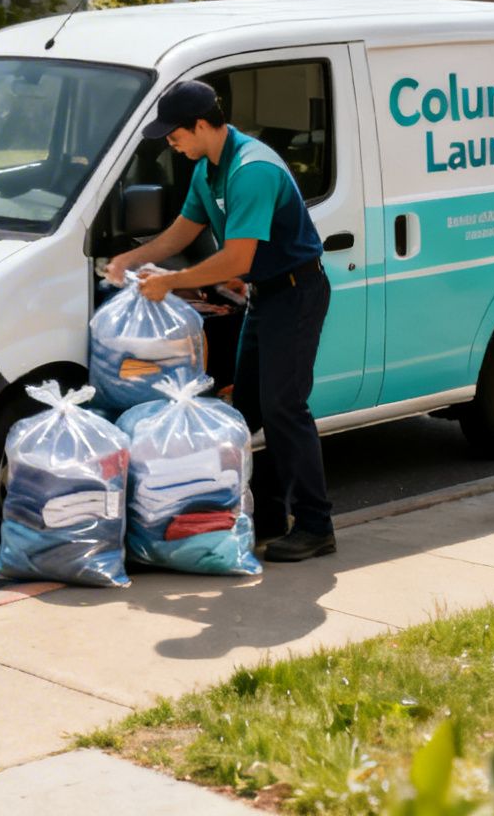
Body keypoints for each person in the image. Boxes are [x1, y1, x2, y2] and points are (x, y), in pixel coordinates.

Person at [104, 79, 335, 563]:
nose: (171, 143)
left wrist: (173, 281)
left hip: (296, 293)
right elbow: (181, 232)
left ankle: (316, 526)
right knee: (248, 408)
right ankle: (271, 518)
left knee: (284, 407)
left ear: (204, 125)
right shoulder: (207, 169)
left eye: (175, 135)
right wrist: (132, 257)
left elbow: (236, 257)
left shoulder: (250, 170)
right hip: (265, 295)